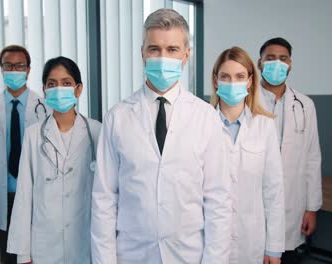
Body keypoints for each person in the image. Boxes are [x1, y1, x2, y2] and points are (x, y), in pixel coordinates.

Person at [91, 8, 232, 263]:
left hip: (189, 255)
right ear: (142, 53)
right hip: (132, 255)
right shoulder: (118, 117)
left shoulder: (205, 118)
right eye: (154, 49)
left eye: (172, 50)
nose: (162, 57)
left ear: (186, 55)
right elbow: (104, 200)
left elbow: (218, 202)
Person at [6, 56, 101, 263]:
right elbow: (24, 194)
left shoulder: (97, 132)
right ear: (44, 90)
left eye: (66, 83)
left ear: (78, 89)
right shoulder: (33, 135)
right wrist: (23, 254)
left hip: (86, 243)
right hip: (45, 246)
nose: (59, 89)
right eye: (52, 84)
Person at [0, 45, 49, 264]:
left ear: (28, 69)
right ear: (1, 69)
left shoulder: (45, 108)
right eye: (9, 65)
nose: (14, 70)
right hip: (3, 199)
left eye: (19, 65)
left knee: (38, 256)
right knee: (7, 258)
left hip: (37, 196)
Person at [210, 46, 285, 264]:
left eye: (240, 76)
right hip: (209, 240)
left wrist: (274, 248)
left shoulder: (265, 126)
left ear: (250, 81)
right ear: (216, 80)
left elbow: (274, 191)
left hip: (251, 242)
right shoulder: (202, 124)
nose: (232, 83)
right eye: (225, 76)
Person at [257, 37, 322, 264]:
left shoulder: (305, 105)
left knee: (289, 255)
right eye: (270, 58)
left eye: (283, 58)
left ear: (290, 64)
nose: (277, 63)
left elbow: (312, 159)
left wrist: (312, 208)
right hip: (255, 205)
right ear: (259, 63)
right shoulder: (246, 102)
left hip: (293, 206)